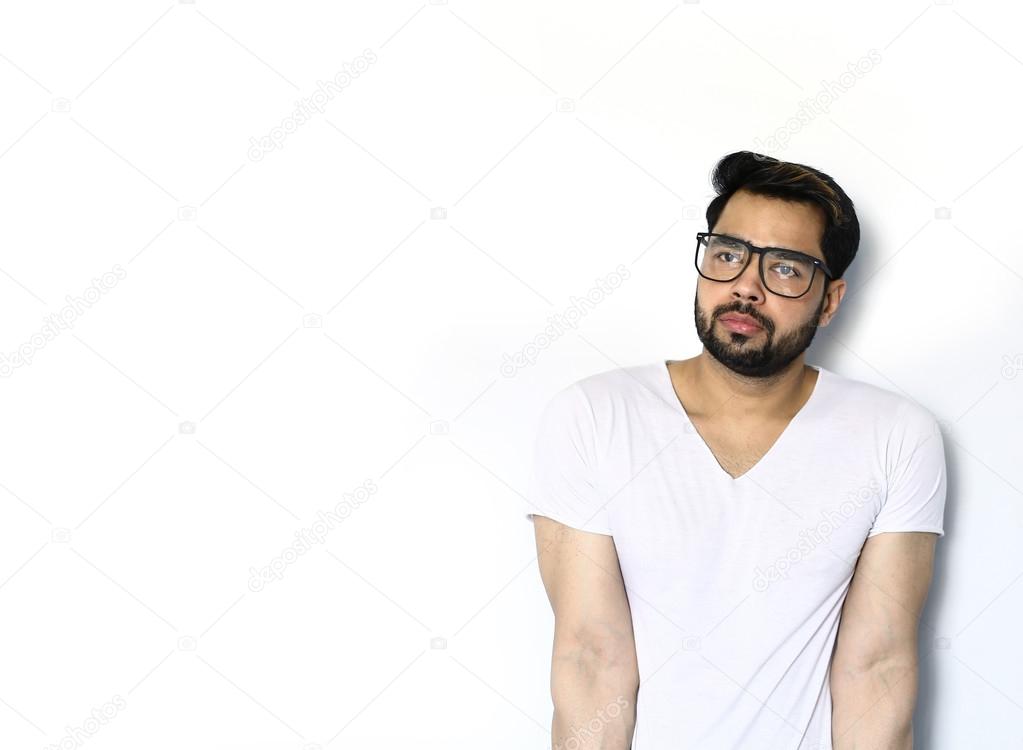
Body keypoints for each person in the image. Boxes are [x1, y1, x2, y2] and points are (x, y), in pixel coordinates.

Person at [524, 151, 947, 749]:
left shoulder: (895, 434)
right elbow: (591, 656)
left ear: (829, 300)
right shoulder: (594, 416)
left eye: (786, 268)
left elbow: (876, 668)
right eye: (728, 255)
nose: (746, 287)